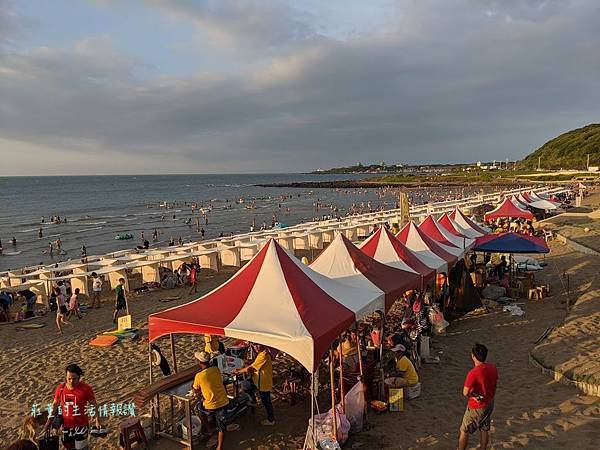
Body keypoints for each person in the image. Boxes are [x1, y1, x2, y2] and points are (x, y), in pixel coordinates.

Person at [44, 364, 102, 450]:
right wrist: (49, 421)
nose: (71, 381)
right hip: (66, 426)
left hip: (81, 425)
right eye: (69, 379)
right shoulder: (60, 389)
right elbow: (55, 405)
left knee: (81, 448)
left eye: (74, 379)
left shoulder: (85, 389)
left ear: (79, 377)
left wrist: (97, 420)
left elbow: (94, 405)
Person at [458, 344, 498, 450]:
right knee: (484, 428)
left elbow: (465, 393)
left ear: (473, 356)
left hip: (477, 406)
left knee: (464, 429)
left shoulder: (473, 373)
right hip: (489, 402)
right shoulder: (492, 368)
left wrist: (474, 395)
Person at [192, 351, 229, 450]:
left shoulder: (199, 376)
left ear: (200, 363)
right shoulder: (216, 369)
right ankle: (219, 446)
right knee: (222, 426)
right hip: (224, 401)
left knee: (198, 408)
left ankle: (209, 429)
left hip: (211, 406)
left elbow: (195, 389)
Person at [234, 344, 275, 426]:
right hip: (257, 379)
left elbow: (251, 368)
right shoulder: (261, 353)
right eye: (254, 345)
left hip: (263, 382)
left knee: (266, 401)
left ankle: (271, 420)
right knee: (246, 385)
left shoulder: (263, 355)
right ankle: (254, 401)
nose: (256, 348)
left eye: (257, 346)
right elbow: (255, 363)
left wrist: (238, 371)